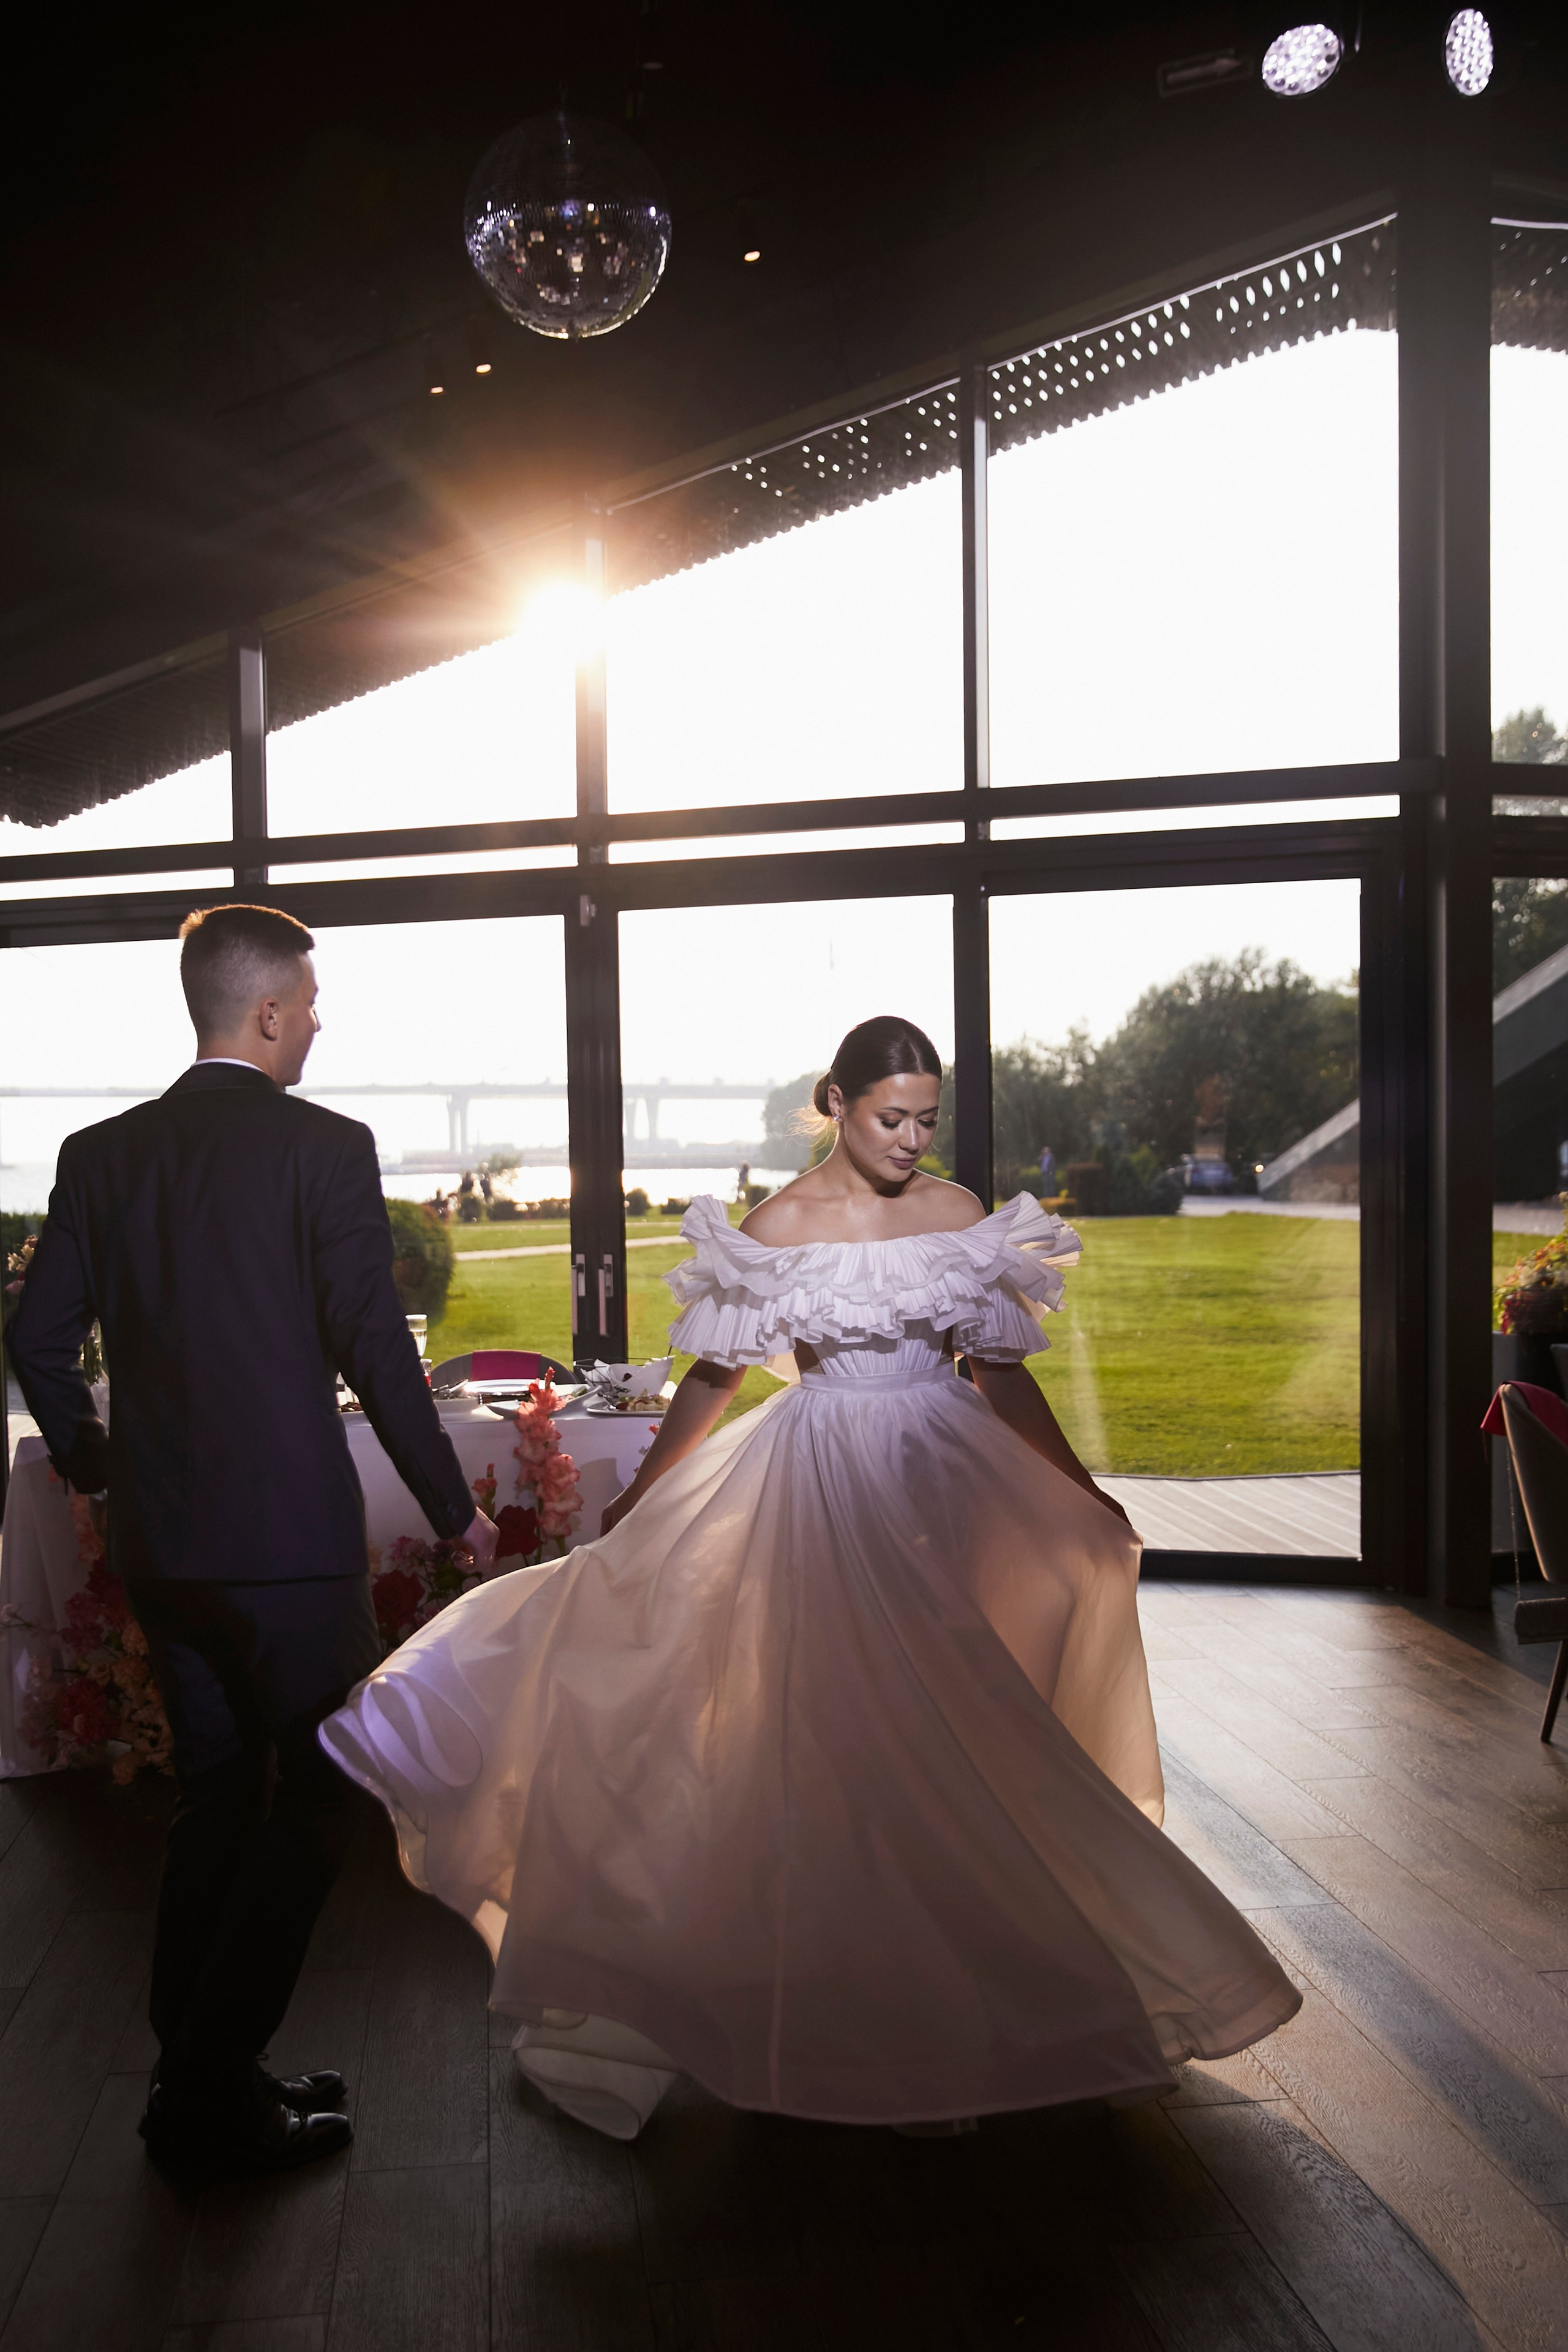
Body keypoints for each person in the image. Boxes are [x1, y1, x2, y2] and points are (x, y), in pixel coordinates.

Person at [322, 1014, 1300, 2139]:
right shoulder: (777, 1226)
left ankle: (997, 1992)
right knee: (832, 1735)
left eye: (928, 1119)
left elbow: (1000, 1375)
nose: (912, 1139)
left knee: (964, 1728)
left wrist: (1080, 1488)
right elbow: (712, 1378)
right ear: (835, 1102)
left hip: (945, 1477)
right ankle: (835, 1999)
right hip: (823, 1482)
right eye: (893, 1118)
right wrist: (639, 1500)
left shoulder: (956, 1215)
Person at [9, 904, 499, 2174]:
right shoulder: (324, 1148)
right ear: (270, 1009)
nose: (319, 1021)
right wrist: (454, 1508)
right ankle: (202, 2091)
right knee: (328, 1798)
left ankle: (205, 2067)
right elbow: (371, 1345)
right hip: (287, 1550)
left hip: (162, 1546)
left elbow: (36, 1339)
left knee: (218, 1803)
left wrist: (96, 1465)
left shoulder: (100, 1153)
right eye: (313, 1002)